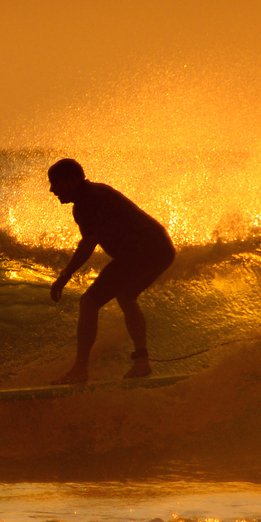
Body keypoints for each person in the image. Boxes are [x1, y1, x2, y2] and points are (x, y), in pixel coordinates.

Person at [46, 158, 175, 383]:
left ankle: (79, 370)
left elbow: (88, 244)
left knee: (89, 302)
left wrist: (64, 275)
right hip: (163, 248)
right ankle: (141, 362)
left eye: (56, 183)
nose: (52, 189)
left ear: (72, 180)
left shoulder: (86, 202)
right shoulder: (97, 191)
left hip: (141, 252)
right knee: (126, 296)